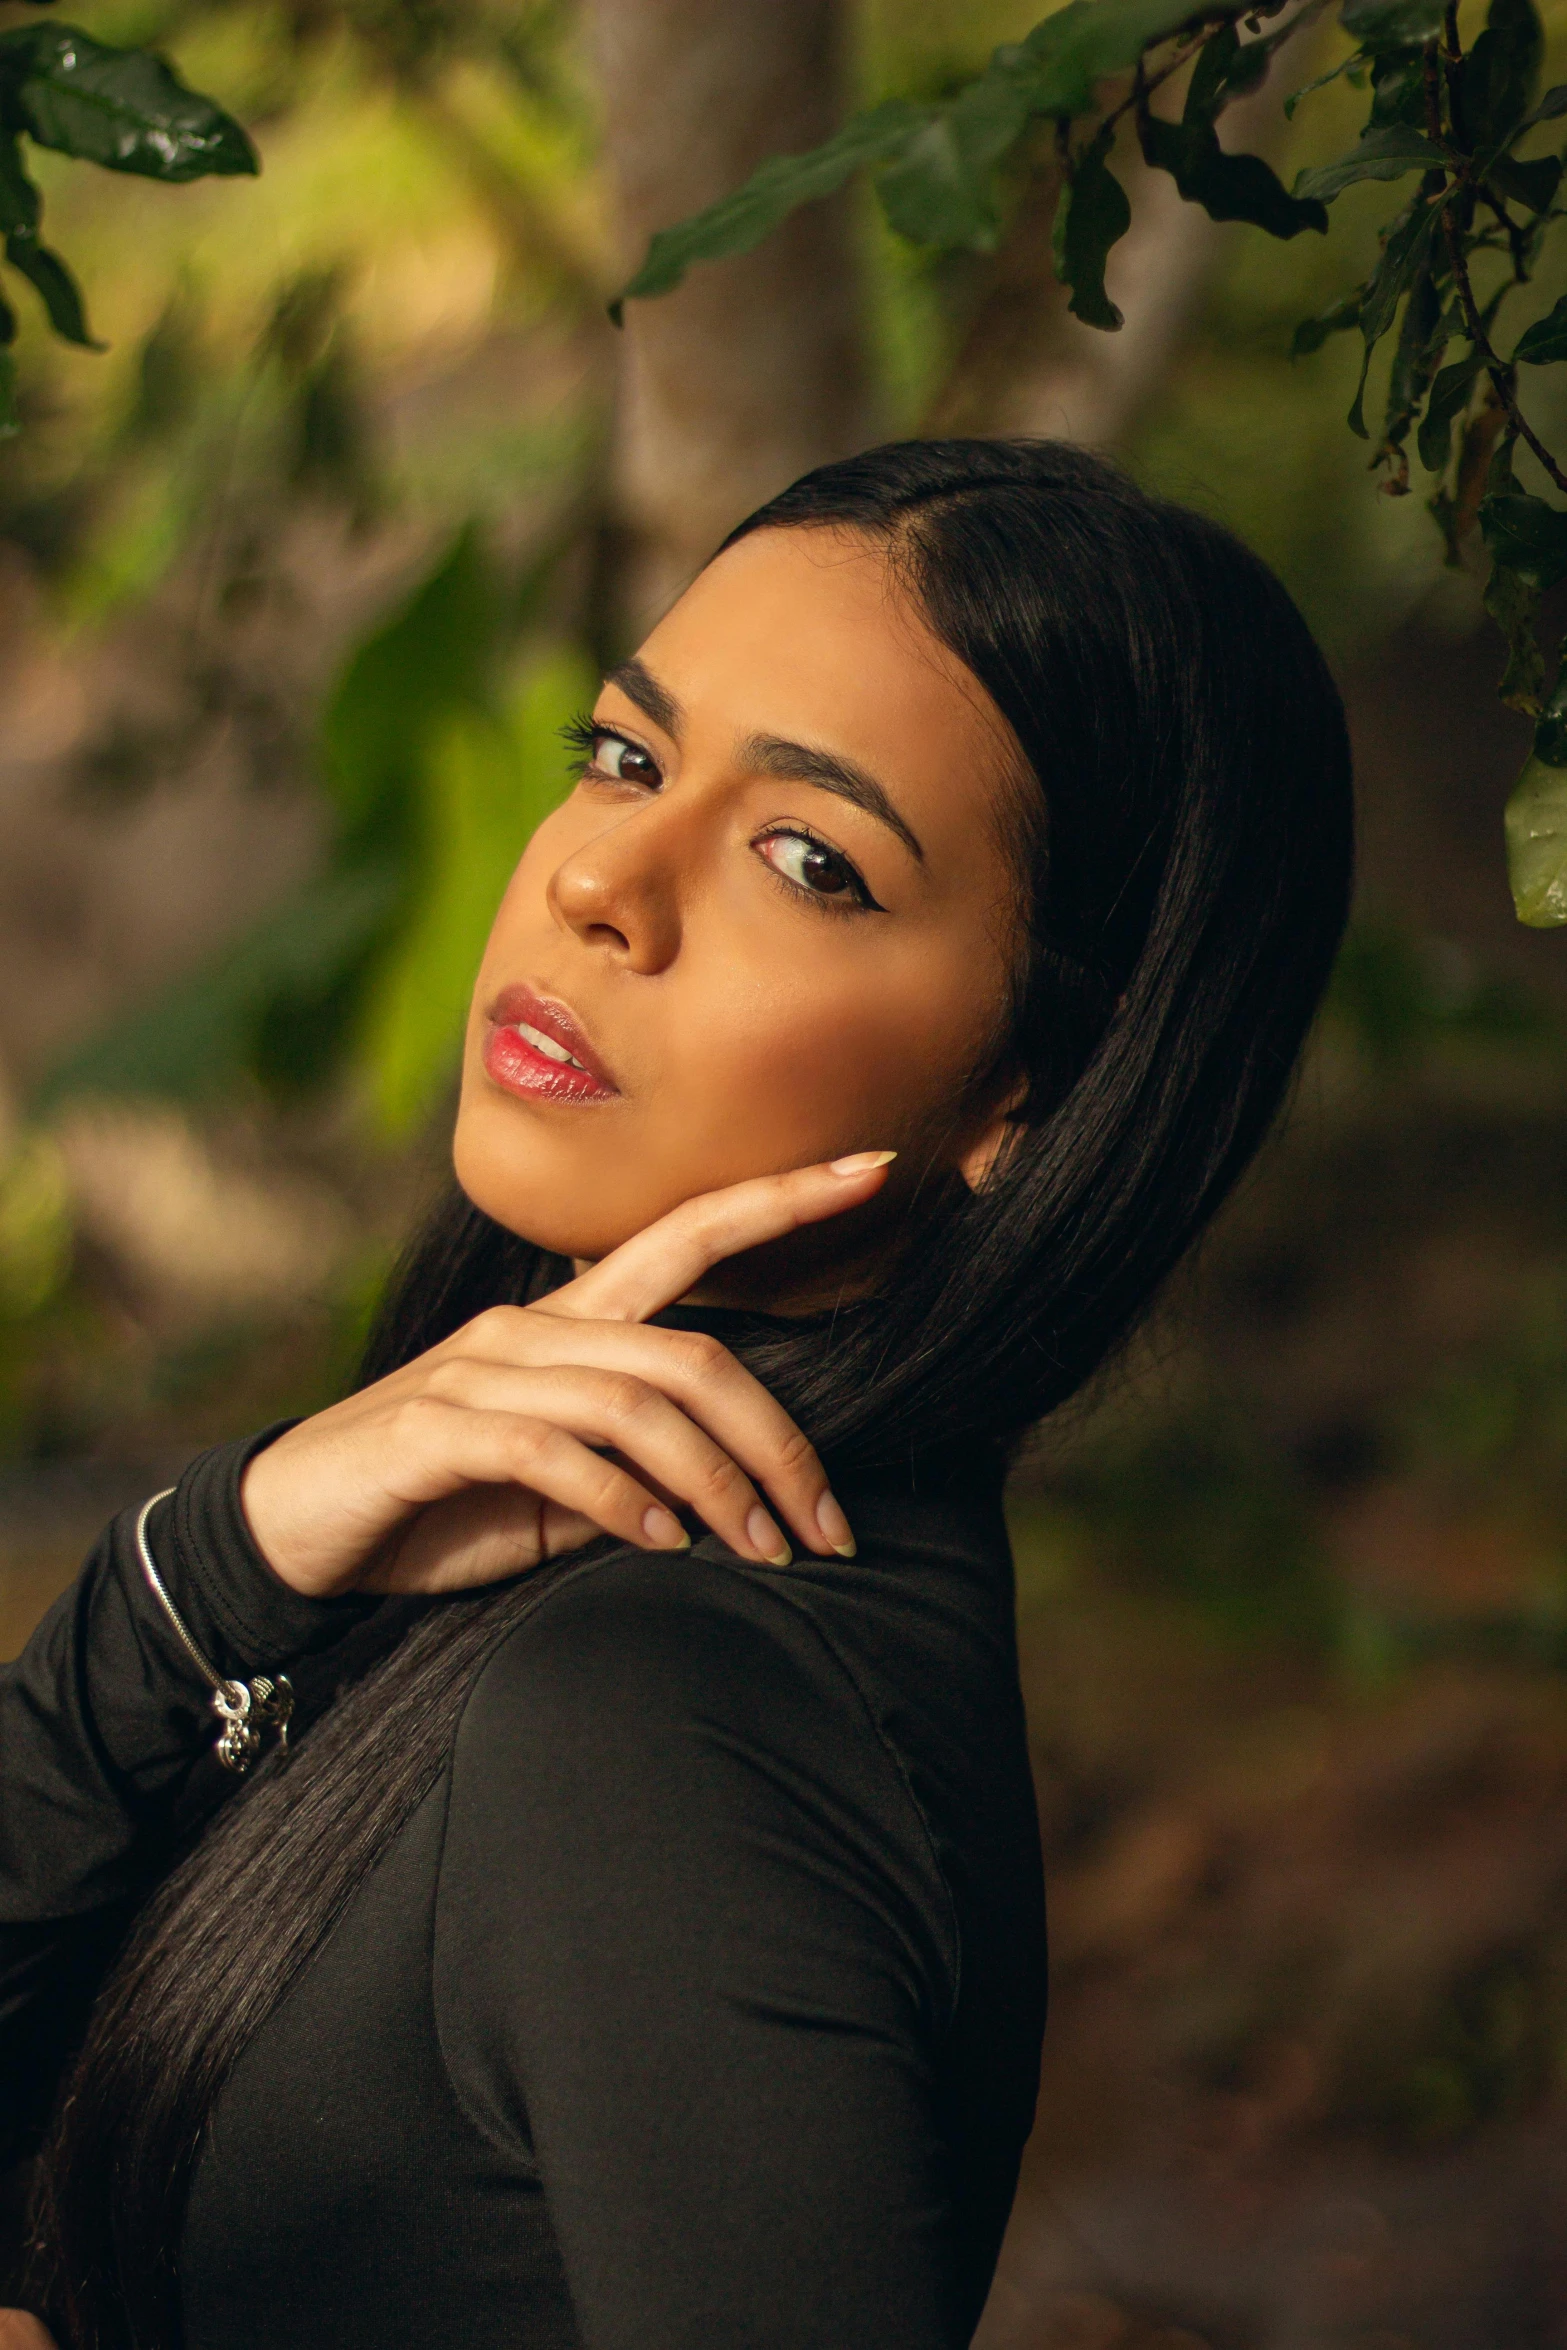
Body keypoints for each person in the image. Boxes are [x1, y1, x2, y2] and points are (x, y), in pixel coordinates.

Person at [0, 438, 1353, 2350]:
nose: (594, 877)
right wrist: (213, 1564)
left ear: (1026, 1094)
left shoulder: (672, 1722)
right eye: (625, 756)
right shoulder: (503, 1559)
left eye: (809, 860)